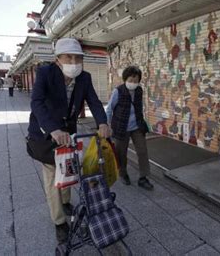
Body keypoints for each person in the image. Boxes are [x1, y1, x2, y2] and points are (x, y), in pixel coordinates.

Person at [27, 38, 111, 244]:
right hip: (46, 133)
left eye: (78, 57)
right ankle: (59, 222)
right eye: (69, 57)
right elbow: (36, 102)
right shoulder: (46, 73)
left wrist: (102, 122)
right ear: (58, 59)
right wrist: (52, 129)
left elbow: (93, 101)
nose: (74, 61)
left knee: (68, 169)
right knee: (53, 177)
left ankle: (65, 202)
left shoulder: (84, 77)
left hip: (69, 132)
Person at [105, 66, 154, 190]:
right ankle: (123, 173)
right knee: (121, 152)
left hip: (136, 126)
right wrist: (107, 126)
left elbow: (139, 107)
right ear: (126, 79)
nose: (133, 83)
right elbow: (109, 109)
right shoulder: (118, 91)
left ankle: (143, 177)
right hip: (121, 126)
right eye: (131, 80)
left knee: (142, 151)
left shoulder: (139, 90)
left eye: (136, 80)